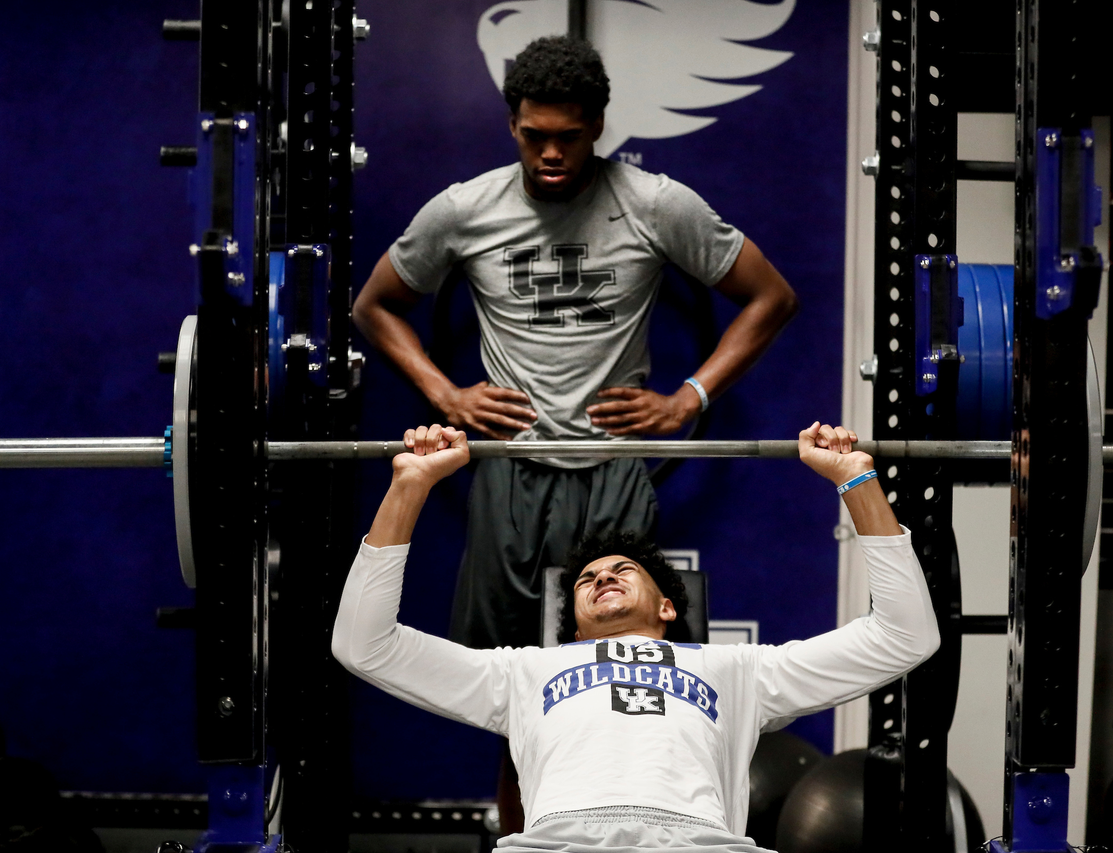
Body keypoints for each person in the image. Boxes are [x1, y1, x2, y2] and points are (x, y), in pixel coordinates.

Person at [351, 35, 799, 653]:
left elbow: (772, 298)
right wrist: (444, 394)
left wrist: (688, 399)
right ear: (512, 125)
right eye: (535, 135)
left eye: (569, 136)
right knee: (503, 673)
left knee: (620, 654)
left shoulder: (655, 204)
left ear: (597, 127)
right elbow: (373, 307)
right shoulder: (464, 209)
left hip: (613, 468)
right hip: (509, 469)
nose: (552, 152)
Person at [332, 421, 941, 852]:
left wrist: (857, 480)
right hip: (558, 845)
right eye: (589, 578)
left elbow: (903, 636)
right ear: (571, 626)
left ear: (669, 608)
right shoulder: (521, 674)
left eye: (626, 570)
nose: (604, 577)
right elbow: (365, 645)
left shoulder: (739, 671)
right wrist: (408, 486)